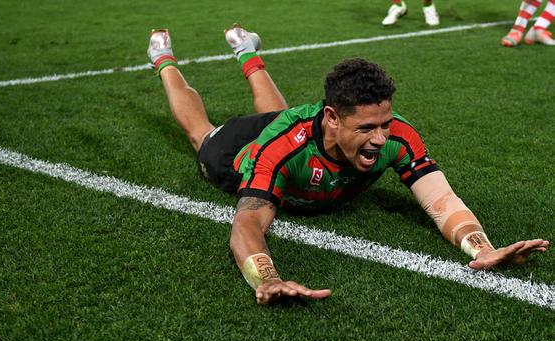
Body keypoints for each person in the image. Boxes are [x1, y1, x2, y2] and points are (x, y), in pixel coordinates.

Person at [147, 25, 549, 305]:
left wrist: (483, 247)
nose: (379, 138)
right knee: (202, 135)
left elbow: (441, 199)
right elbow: (247, 225)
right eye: (367, 127)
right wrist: (267, 280)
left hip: (296, 132)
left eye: (385, 123)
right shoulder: (281, 152)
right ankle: (163, 58)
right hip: (237, 156)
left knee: (280, 114)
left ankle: (245, 49)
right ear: (333, 118)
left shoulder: (396, 137)